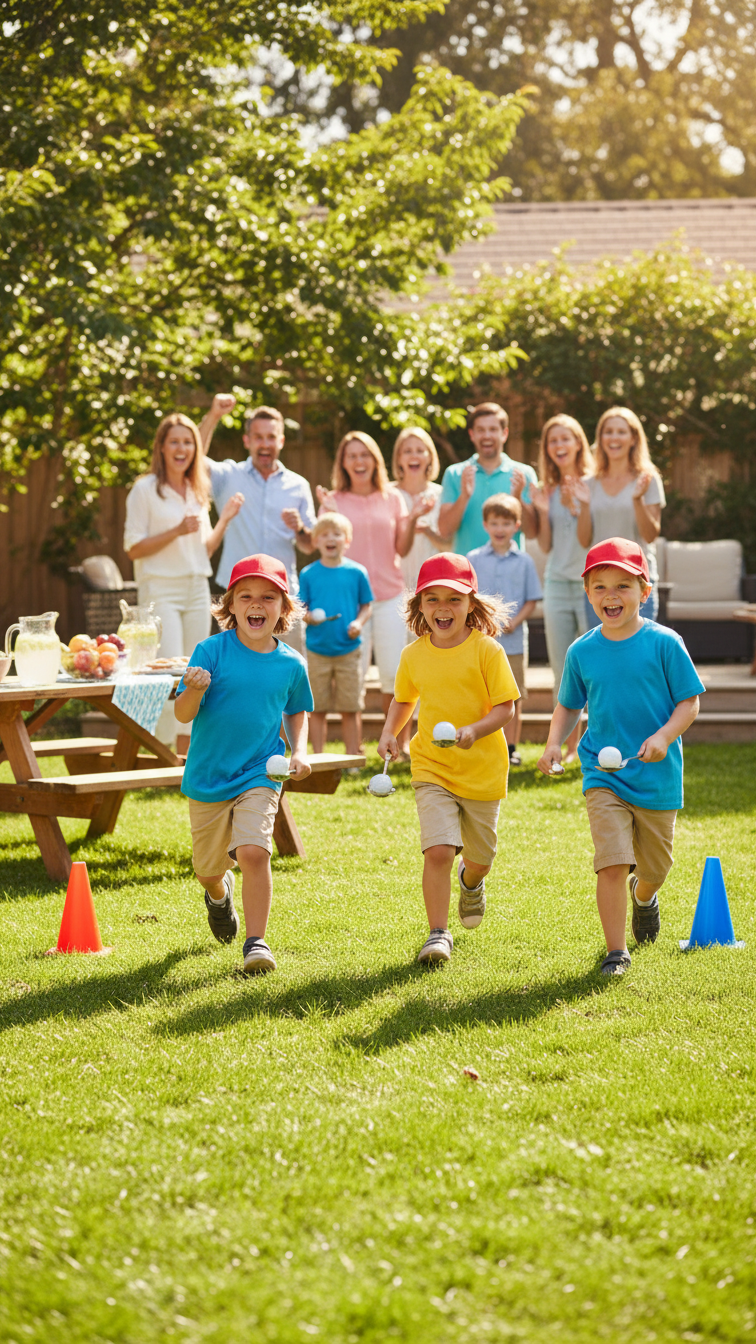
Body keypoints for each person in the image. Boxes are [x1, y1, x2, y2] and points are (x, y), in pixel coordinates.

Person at [537, 538, 704, 977]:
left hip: (656, 775)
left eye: (623, 586)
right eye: (600, 587)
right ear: (588, 593)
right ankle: (616, 951)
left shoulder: (665, 643)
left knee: (656, 867)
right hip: (603, 773)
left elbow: (690, 702)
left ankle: (644, 896)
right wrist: (556, 741)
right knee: (612, 860)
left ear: (644, 592)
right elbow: (570, 705)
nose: (611, 595)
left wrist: (665, 736)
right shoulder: (582, 650)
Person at [175, 554, 313, 976]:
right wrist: (194, 690)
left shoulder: (292, 663)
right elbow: (183, 714)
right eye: (246, 596)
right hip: (208, 776)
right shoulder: (210, 651)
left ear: (283, 608)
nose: (257, 603)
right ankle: (219, 894)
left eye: (268, 596)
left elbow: (297, 711)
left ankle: (257, 943)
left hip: (261, 771)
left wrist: (299, 751)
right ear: (230, 606)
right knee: (207, 870)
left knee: (254, 851)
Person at [378, 553, 518, 967]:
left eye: (454, 600)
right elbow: (404, 699)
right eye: (433, 599)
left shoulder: (487, 651)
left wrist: (475, 730)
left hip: (483, 771)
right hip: (432, 766)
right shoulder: (414, 655)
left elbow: (505, 707)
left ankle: (471, 883)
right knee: (437, 850)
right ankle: (438, 933)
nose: (443, 608)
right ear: (419, 606)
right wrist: (391, 732)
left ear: (471, 604)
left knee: (479, 859)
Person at [124, 413, 244, 753]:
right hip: (160, 587)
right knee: (169, 669)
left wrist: (224, 519)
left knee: (196, 670)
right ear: (161, 447)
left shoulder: (196, 490)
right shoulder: (145, 490)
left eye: (188, 442)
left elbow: (203, 549)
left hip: (196, 587)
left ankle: (188, 751)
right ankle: (159, 749)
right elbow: (133, 548)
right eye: (174, 441)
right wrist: (175, 530)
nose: (182, 448)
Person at [317, 430, 433, 756]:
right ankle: (352, 750)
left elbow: (402, 547)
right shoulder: (334, 501)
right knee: (350, 674)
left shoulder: (392, 498)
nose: (358, 461)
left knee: (395, 676)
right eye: (351, 456)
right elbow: (324, 547)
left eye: (364, 455)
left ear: (375, 461)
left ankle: (398, 742)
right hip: (350, 603)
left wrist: (412, 520)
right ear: (343, 462)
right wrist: (323, 511)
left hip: (389, 596)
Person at [199, 395, 316, 637]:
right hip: (237, 598)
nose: (265, 443)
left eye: (271, 437)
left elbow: (309, 545)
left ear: (281, 441)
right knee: (234, 672)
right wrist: (213, 416)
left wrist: (300, 528)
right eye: (258, 437)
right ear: (247, 440)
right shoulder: (228, 477)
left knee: (287, 672)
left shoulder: (298, 485)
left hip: (283, 597)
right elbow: (194, 457)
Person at [530, 413, 594, 763]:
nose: (558, 446)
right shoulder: (548, 489)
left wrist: (582, 503)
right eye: (552, 441)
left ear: (578, 442)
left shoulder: (594, 484)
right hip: (556, 584)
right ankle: (568, 747)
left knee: (595, 667)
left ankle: (592, 743)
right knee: (562, 668)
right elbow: (545, 544)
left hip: (590, 588)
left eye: (564, 439)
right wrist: (541, 509)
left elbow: (589, 537)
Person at [467, 494, 542, 767]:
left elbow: (532, 599)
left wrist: (516, 621)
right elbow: (467, 597)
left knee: (512, 696)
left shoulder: (524, 561)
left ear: (517, 526)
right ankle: (481, 742)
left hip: (513, 642)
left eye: (506, 523)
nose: (500, 529)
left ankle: (511, 749)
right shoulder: (473, 559)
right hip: (479, 641)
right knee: (481, 695)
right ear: (485, 525)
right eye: (495, 523)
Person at [575, 407, 665, 626]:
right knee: (601, 654)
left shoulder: (648, 480)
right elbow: (584, 540)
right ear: (601, 438)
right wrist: (585, 505)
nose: (614, 437)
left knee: (638, 654)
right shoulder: (588, 484)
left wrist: (637, 500)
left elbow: (651, 535)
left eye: (621, 432)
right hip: (600, 584)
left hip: (637, 581)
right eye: (608, 431)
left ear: (633, 438)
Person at [299, 512, 373, 755]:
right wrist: (308, 616)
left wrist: (359, 624)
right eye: (324, 535)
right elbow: (302, 608)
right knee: (317, 707)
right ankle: (318, 757)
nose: (331, 539)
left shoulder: (357, 572)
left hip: (349, 650)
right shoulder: (309, 574)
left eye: (337, 534)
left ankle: (352, 755)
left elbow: (366, 606)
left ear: (347, 540)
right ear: (316, 541)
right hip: (317, 649)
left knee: (350, 706)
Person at [437, 402, 537, 555]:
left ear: (504, 433)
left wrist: (517, 499)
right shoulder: (455, 473)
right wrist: (464, 496)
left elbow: (532, 533)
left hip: (510, 572)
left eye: (493, 429)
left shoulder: (523, 474)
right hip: (467, 573)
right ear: (472, 434)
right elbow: (445, 531)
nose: (487, 436)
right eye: (480, 430)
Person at [391, 426, 447, 591]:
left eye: (420, 450)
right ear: (399, 458)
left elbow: (452, 545)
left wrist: (428, 532)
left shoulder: (443, 495)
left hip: (433, 586)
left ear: (430, 457)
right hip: (394, 589)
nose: (414, 455)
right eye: (407, 451)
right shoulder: (387, 495)